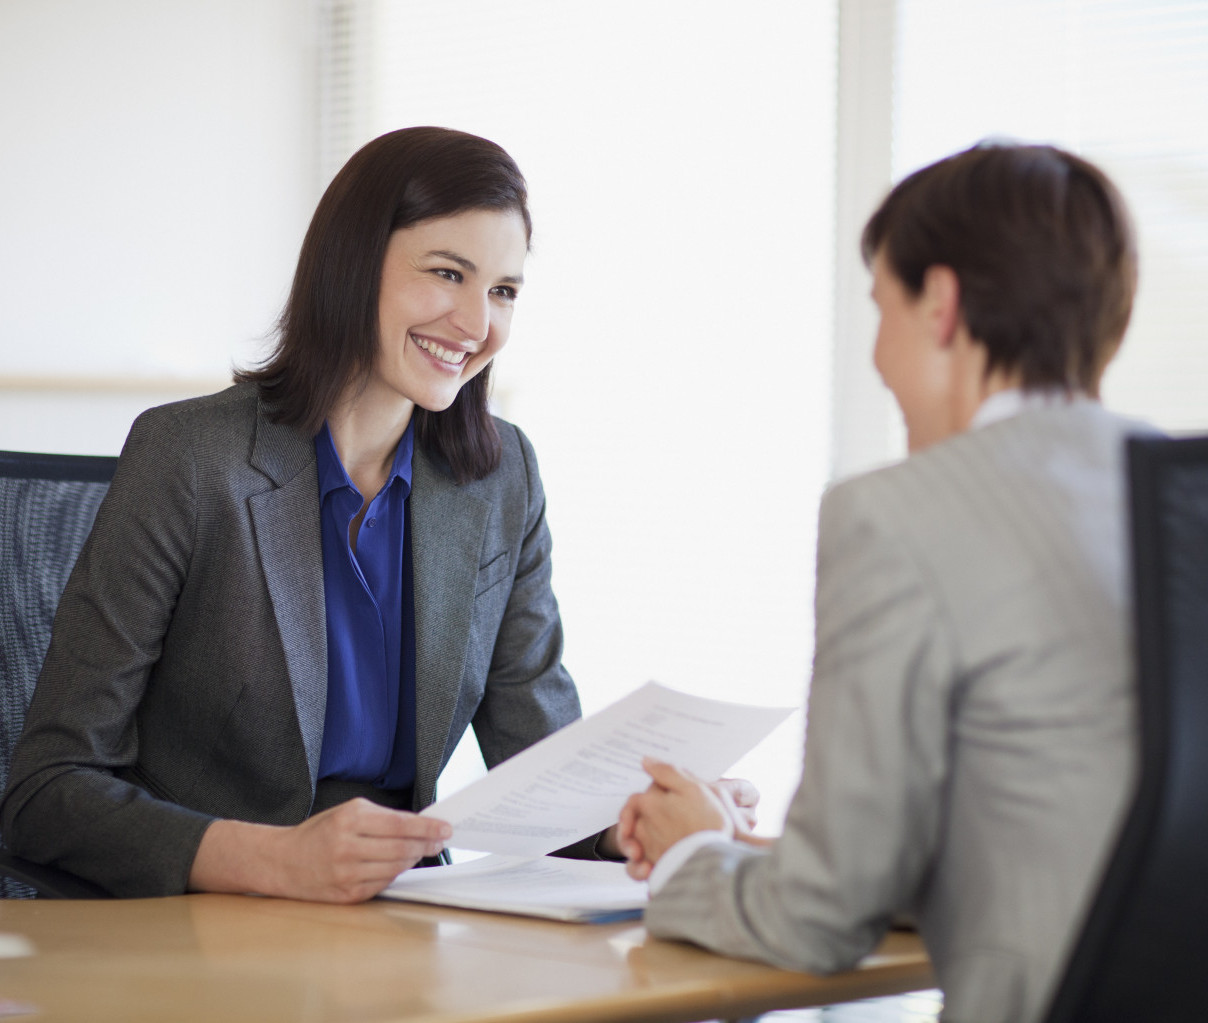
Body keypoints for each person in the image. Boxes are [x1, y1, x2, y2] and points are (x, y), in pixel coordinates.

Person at [2, 127, 618, 902]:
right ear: (354, 266)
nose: (475, 324)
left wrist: (626, 823)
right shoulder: (189, 458)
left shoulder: (501, 478)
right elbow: (46, 791)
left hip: (406, 918)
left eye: (502, 291)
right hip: (206, 922)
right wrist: (273, 859)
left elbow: (542, 768)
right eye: (447, 273)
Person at [618, 142, 1147, 1023]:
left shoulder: (895, 513)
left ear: (940, 303)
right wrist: (750, 847)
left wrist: (689, 857)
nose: (877, 355)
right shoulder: (1173, 492)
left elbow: (816, 921)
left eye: (881, 308)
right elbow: (1063, 830)